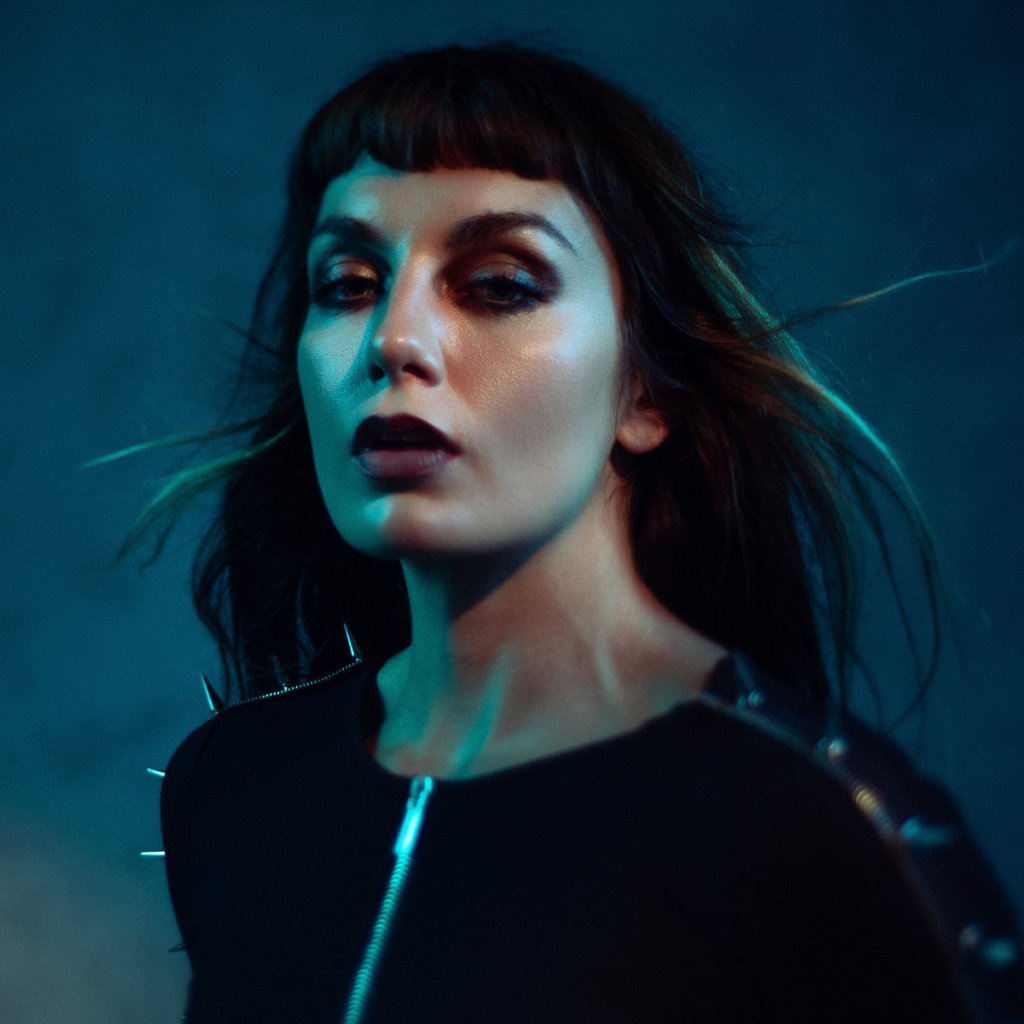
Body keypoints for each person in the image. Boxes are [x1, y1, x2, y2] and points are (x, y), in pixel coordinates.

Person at [140, 42, 1022, 1022]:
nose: (393, 338)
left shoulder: (812, 817)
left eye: (499, 284)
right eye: (348, 282)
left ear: (646, 389)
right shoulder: (232, 786)